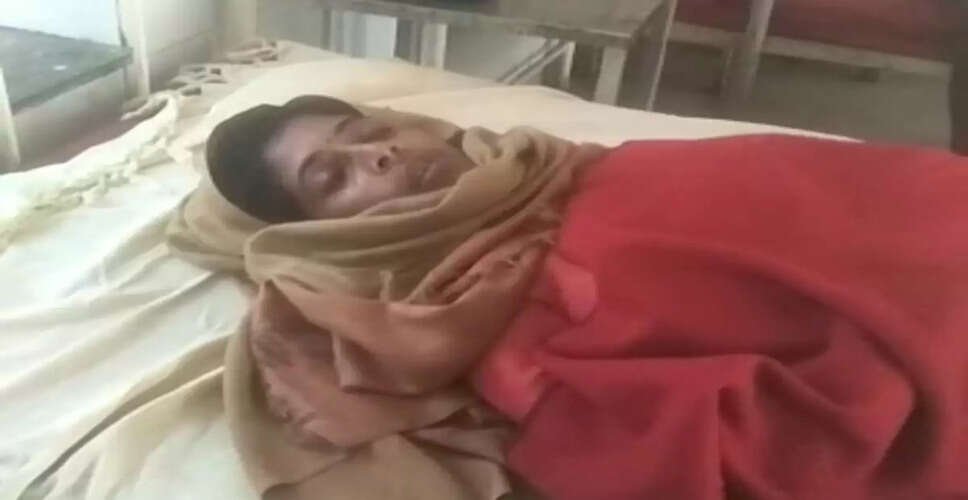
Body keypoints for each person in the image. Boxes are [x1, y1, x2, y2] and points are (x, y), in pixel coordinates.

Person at [182, 95, 968, 500]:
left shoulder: (557, 163)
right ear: (321, 233)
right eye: (334, 177)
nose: (381, 155)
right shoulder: (474, 314)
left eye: (368, 135)